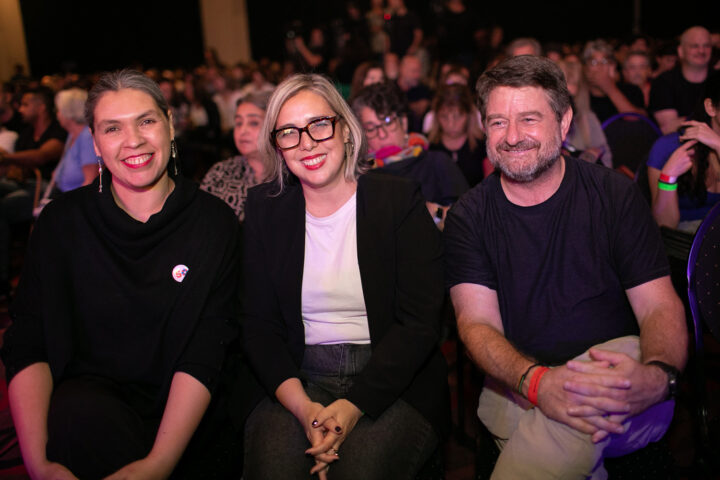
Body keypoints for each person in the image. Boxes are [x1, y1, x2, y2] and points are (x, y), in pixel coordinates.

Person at [444, 56, 686, 479]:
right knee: (556, 424)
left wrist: (658, 376)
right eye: (498, 122)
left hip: (620, 379)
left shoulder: (614, 196)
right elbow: (476, 325)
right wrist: (538, 383)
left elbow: (658, 306)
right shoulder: (469, 216)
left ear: (564, 120)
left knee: (588, 396)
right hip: (522, 380)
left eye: (529, 119)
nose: (512, 136)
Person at [0, 70, 241, 480]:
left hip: (188, 420)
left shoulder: (214, 224)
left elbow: (207, 352)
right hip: (90, 416)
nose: (133, 141)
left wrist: (158, 464)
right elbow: (29, 339)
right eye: (113, 128)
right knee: (78, 416)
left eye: (146, 121)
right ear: (95, 142)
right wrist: (39, 464)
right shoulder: (62, 224)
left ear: (169, 125)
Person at [242, 73, 449, 479]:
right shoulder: (265, 210)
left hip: (392, 375)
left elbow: (421, 322)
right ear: (278, 146)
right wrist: (304, 409)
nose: (306, 143)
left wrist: (353, 407)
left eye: (319, 124)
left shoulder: (398, 200)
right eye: (289, 132)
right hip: (296, 377)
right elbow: (257, 325)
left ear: (347, 130)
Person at [352, 81, 468, 227]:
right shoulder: (357, 176)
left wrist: (435, 212)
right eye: (371, 128)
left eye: (388, 122)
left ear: (404, 122)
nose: (382, 134)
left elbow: (468, 218)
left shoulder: (436, 163)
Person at [647, 73, 720, 232]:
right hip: (683, 239)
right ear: (711, 107)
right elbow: (664, 225)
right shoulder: (670, 146)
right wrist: (668, 178)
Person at [201, 91, 271, 222]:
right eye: (238, 123)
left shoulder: (291, 175)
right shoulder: (220, 173)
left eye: (253, 123)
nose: (242, 131)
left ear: (274, 126)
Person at [34, 88, 98, 217]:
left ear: (68, 112)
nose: (57, 114)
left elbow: (90, 181)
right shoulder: (72, 135)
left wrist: (68, 210)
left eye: (59, 110)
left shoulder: (86, 137)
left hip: (76, 206)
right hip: (63, 197)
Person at [650, 26, 712, 134]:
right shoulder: (663, 82)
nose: (701, 51)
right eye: (694, 46)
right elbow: (669, 128)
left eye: (706, 46)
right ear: (680, 51)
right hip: (677, 142)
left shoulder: (717, 80)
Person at [428, 84, 490, 187]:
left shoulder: (483, 146)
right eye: (444, 117)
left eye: (457, 117)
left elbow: (490, 185)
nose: (451, 124)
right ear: (436, 117)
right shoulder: (428, 147)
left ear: (469, 115)